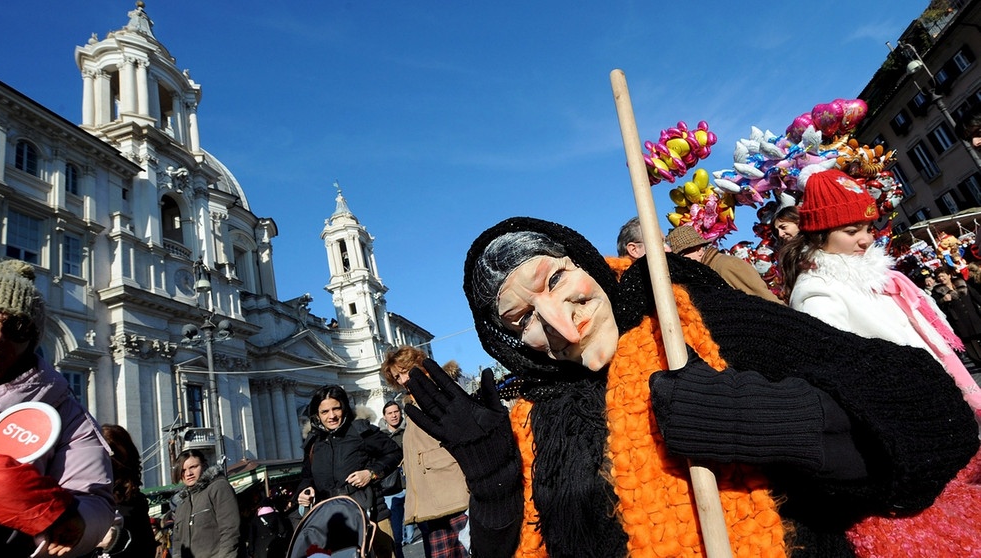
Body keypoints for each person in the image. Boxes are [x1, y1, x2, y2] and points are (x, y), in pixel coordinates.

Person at [402, 216, 980, 557]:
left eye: (555, 279)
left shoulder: (699, 322)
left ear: (584, 260)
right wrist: (494, 483)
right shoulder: (528, 417)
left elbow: (930, 405)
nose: (558, 322)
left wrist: (768, 419)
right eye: (519, 319)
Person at [780, 168, 981, 421]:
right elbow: (843, 372)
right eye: (852, 232)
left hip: (940, 402)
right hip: (911, 414)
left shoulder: (879, 278)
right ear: (820, 236)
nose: (865, 239)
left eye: (867, 228)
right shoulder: (817, 293)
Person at [0, 259, 116, 557]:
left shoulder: (66, 412)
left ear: (31, 340)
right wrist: (43, 506)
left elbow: (93, 496)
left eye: (16, 326)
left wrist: (79, 522)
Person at [381, 348, 470, 558]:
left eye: (404, 371)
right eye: (396, 377)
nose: (402, 380)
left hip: (453, 492)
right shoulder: (413, 402)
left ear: (419, 366)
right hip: (432, 498)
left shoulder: (438, 392)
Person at [296, 385, 402, 558]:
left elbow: (395, 452)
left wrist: (371, 472)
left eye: (336, 408)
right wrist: (304, 491)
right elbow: (306, 475)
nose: (331, 416)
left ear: (343, 408)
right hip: (332, 519)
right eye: (325, 412)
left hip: (372, 513)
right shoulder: (313, 441)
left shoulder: (361, 430)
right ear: (317, 414)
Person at [666, 224, 782, 302]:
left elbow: (763, 298)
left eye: (682, 255)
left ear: (699, 249)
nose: (680, 262)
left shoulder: (726, 265)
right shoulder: (707, 272)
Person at [96, 424, 157, 558]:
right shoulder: (81, 494)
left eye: (110, 454)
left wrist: (116, 540)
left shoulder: (134, 500)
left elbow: (146, 549)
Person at [171, 449, 242, 558]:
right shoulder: (182, 502)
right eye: (183, 470)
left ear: (204, 465)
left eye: (193, 467)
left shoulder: (218, 487)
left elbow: (230, 531)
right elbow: (177, 543)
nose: (188, 474)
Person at [379, 401, 415, 558]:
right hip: (391, 490)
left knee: (427, 529)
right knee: (396, 537)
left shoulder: (410, 431)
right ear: (384, 416)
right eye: (390, 413)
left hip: (414, 486)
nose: (394, 415)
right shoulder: (378, 437)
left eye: (396, 412)